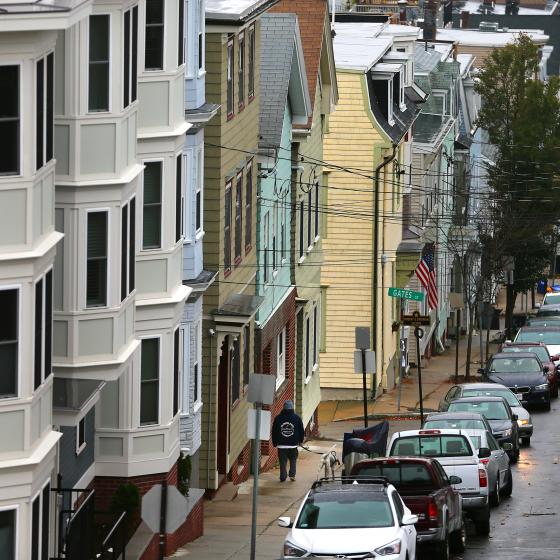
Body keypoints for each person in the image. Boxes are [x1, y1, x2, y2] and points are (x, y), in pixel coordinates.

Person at [272, 400, 305, 482]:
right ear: (292, 408)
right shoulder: (297, 418)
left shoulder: (278, 418)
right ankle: (292, 475)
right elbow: (301, 431)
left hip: (281, 445)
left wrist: (274, 442)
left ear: (283, 408)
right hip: (293, 445)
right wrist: (300, 441)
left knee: (282, 462)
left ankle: (283, 477)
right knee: (293, 460)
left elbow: (274, 431)